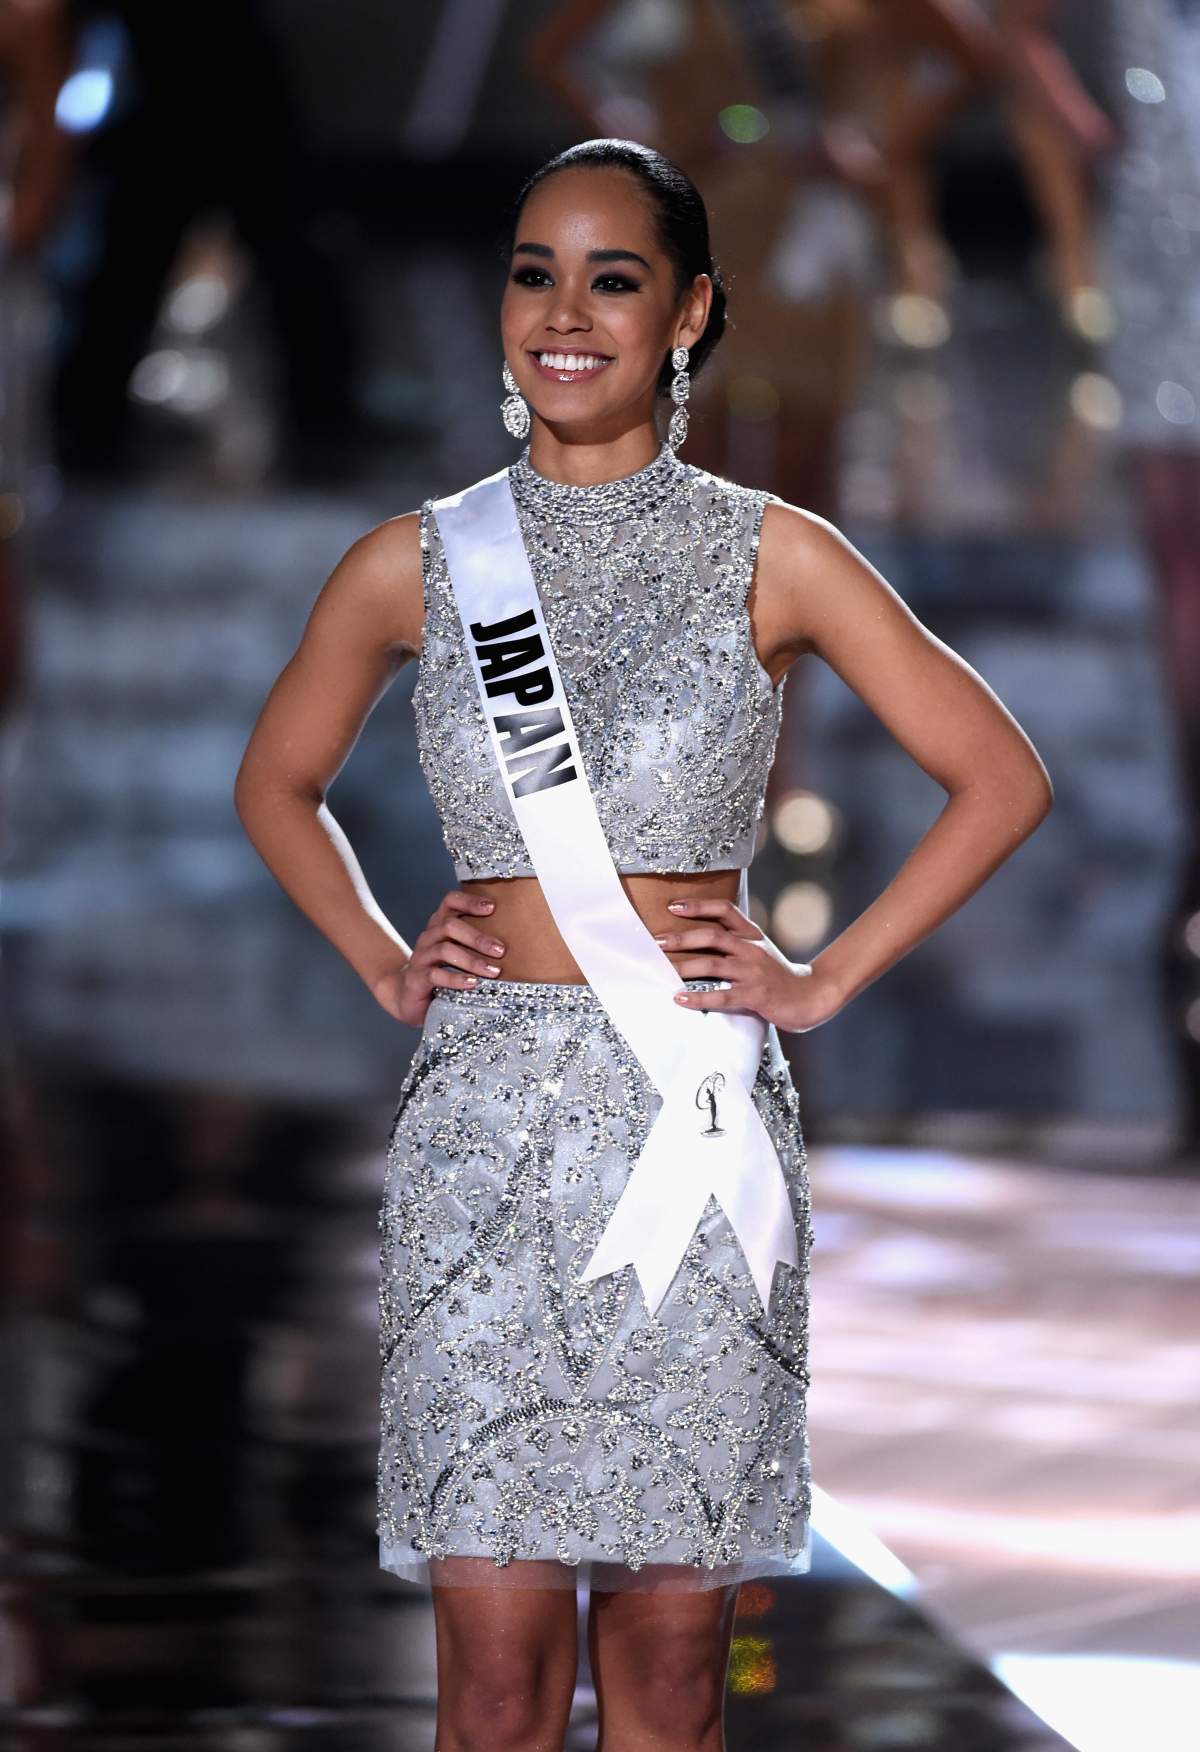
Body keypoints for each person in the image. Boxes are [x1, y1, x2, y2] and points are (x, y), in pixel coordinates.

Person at [234, 138, 1053, 1752]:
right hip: (485, 1148)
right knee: (491, 1678)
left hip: (691, 1121)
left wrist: (819, 980)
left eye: (613, 279)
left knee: (684, 1675)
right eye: (535, 272)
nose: (565, 311)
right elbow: (276, 782)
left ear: (688, 314)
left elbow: (1000, 777)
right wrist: (388, 958)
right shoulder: (420, 559)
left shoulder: (775, 550)